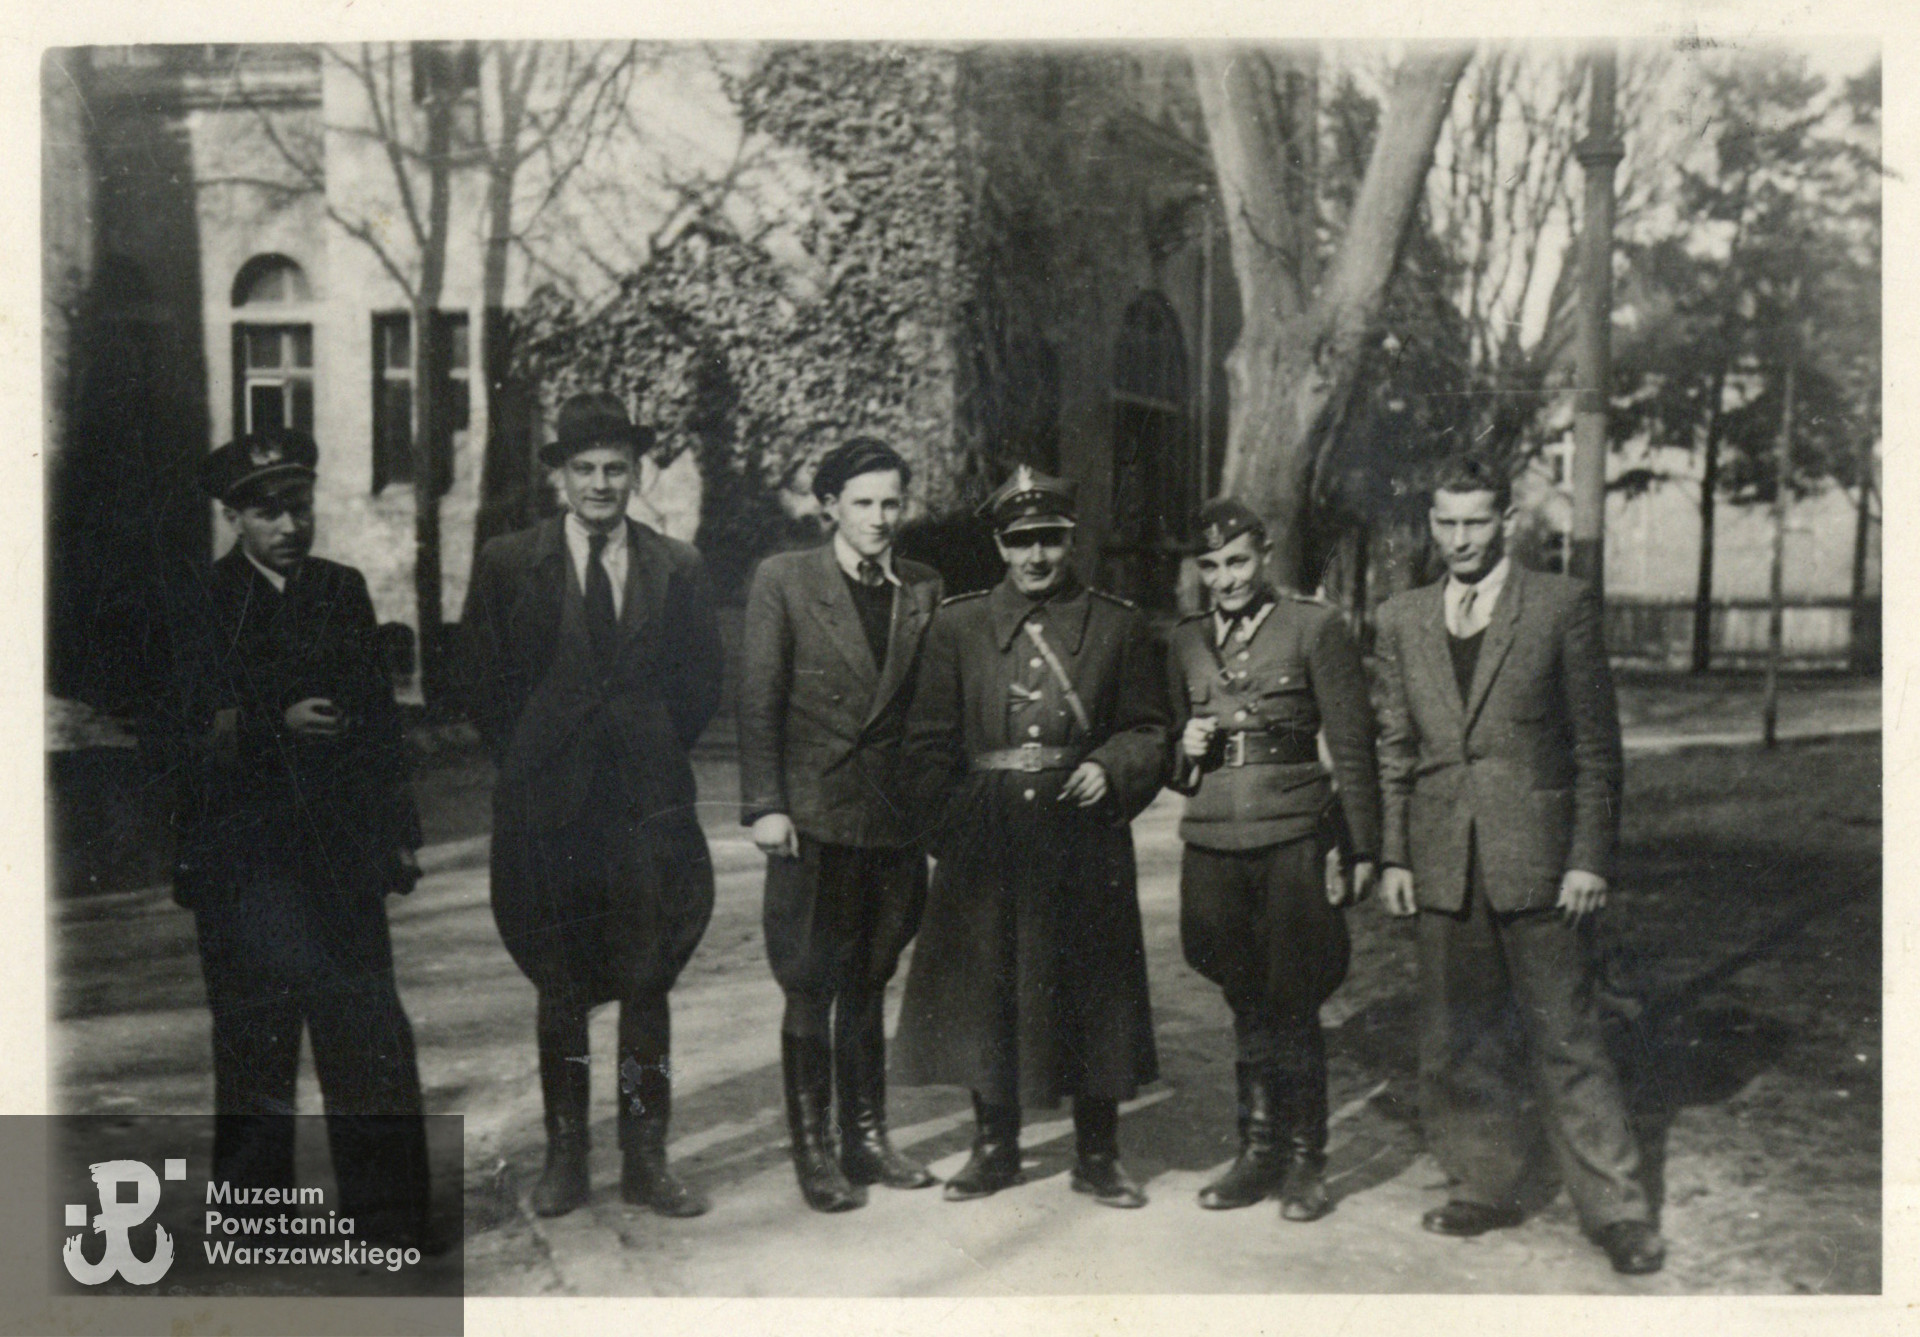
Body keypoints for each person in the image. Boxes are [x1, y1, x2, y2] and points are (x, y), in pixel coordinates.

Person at [1372, 457, 1664, 1275]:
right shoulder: (1401, 617)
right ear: (1430, 524)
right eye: (1445, 523)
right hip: (1442, 860)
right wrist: (1395, 852)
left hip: (1541, 864)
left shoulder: (1559, 604)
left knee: (1569, 1037)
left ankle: (1617, 1209)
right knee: (1457, 1038)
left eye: (1475, 522)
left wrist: (1588, 859)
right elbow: (1396, 747)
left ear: (1506, 522)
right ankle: (1484, 1184)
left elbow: (1597, 751)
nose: (1459, 540)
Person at [154, 427, 431, 1246]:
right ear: (234, 517)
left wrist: (399, 834)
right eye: (270, 512)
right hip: (244, 861)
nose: (290, 526)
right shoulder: (200, 599)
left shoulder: (342, 590)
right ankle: (256, 1224)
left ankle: (389, 1220)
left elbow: (379, 724)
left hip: (341, 856)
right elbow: (173, 735)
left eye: (299, 507)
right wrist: (275, 726)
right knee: (255, 1040)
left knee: (367, 1032)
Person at [461, 392, 724, 1219]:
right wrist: (540, 749)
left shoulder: (676, 565)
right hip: (549, 811)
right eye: (585, 469)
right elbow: (480, 678)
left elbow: (699, 683)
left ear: (637, 472)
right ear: (559, 477)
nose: (602, 483)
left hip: (645, 810)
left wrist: (644, 744)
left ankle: (646, 1158)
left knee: (648, 984)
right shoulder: (510, 562)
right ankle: (565, 1158)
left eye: (617, 468)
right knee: (561, 983)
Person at [892, 465, 1169, 1208]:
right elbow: (925, 746)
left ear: (1070, 539)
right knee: (991, 992)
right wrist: (953, 829)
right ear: (999, 544)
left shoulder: (1117, 622)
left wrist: (1113, 767)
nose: (1036, 557)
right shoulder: (958, 624)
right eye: (1021, 542)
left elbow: (1150, 727)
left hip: (1082, 836)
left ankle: (1098, 1151)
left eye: (1049, 540)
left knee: (1092, 987)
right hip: (988, 839)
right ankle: (994, 1146)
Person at [737, 438, 944, 1213]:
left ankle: (866, 1137)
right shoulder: (785, 579)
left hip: (892, 818)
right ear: (829, 505)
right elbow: (759, 699)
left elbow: (931, 707)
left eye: (892, 502)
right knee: (808, 981)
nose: (880, 518)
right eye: (862, 502)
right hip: (812, 816)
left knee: (871, 977)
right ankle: (815, 1150)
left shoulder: (923, 587)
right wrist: (766, 805)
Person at [1167, 498, 1380, 1222]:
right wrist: (1182, 752)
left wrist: (1361, 846)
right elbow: (1173, 753)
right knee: (1241, 993)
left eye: (1237, 561)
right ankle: (1256, 1150)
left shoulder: (1313, 626)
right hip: (1215, 838)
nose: (1225, 578)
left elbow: (1351, 745)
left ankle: (1305, 1160)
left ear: (1265, 556)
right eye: (1211, 565)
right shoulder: (1187, 639)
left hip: (1293, 829)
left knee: (1294, 996)